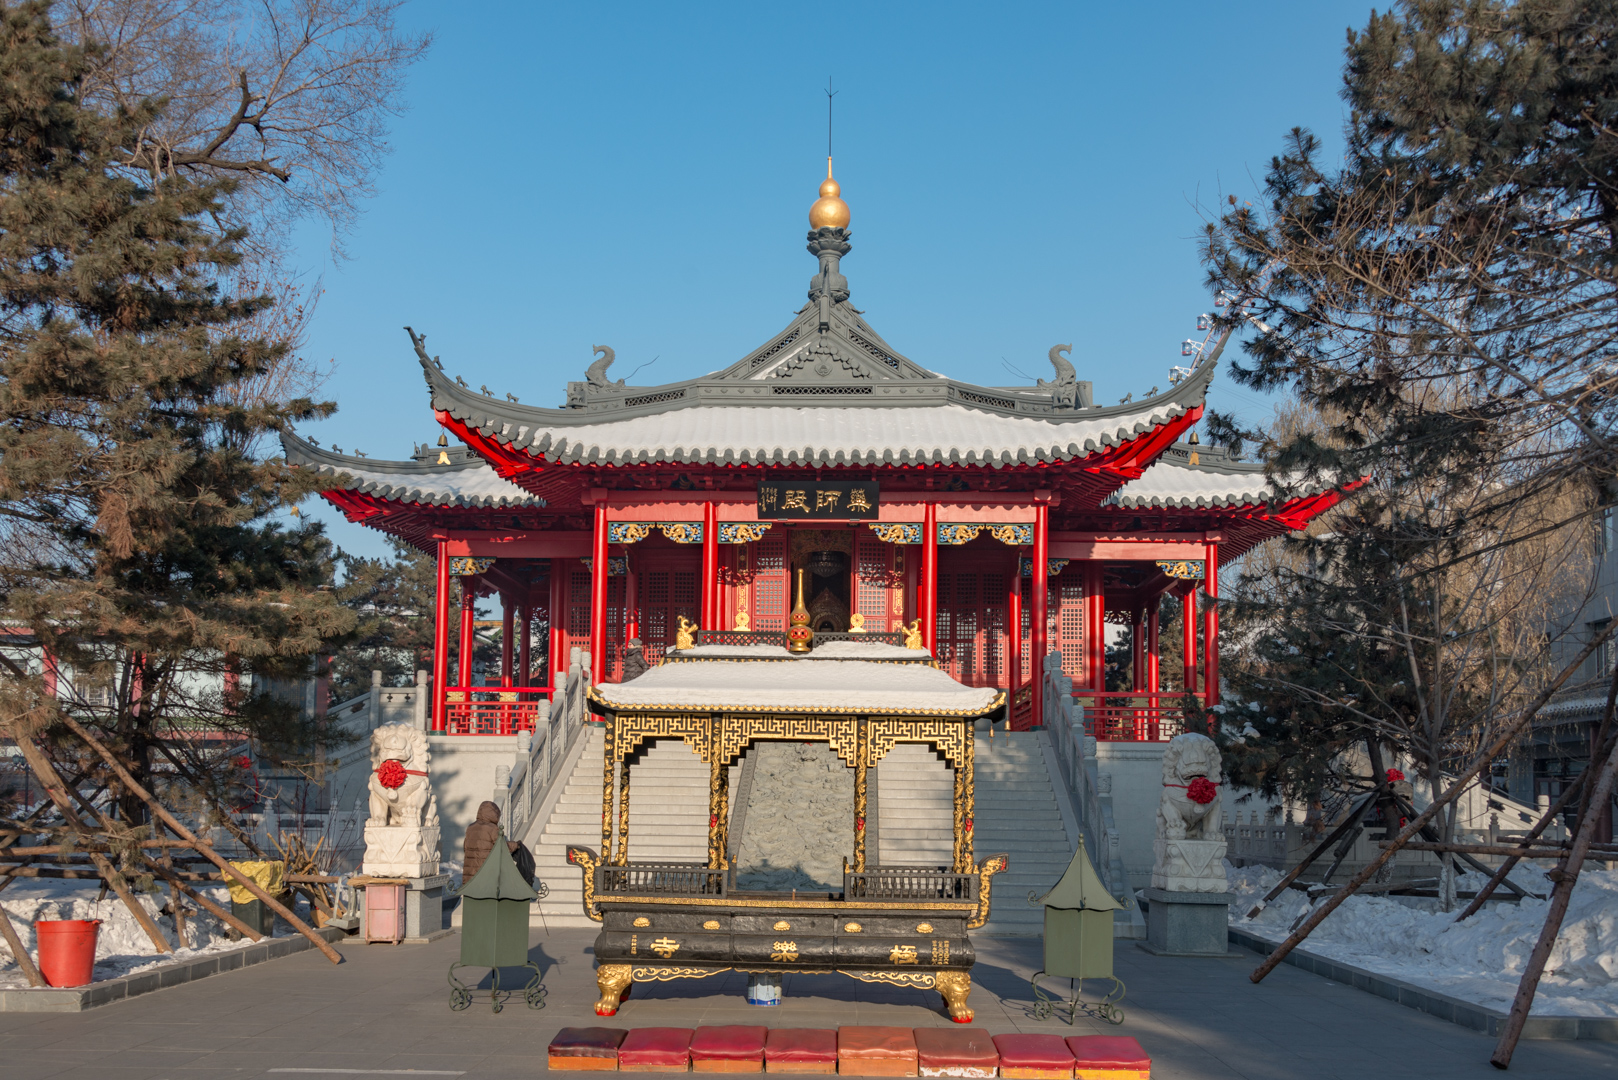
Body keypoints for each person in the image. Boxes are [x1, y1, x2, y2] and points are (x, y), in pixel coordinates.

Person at [462, 800, 520, 885]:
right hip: (485, 874)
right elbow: (502, 847)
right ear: (494, 814)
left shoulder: (470, 827)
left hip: (469, 875)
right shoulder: (492, 829)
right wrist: (515, 845)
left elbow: (465, 847)